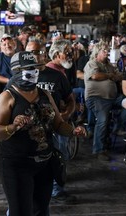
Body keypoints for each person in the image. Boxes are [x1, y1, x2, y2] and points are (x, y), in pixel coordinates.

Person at [0, 51, 86, 216]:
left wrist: (73, 131)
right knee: (21, 211)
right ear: (16, 71)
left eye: (35, 68)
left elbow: (58, 124)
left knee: (41, 210)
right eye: (29, 68)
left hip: (44, 163)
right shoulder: (7, 97)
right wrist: (12, 127)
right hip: (17, 164)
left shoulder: (45, 94)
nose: (34, 72)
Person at [36, 39, 77, 202]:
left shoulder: (58, 75)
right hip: (36, 125)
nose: (37, 57)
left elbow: (70, 99)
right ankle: (45, 188)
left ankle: (57, 189)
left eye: (39, 53)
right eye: (66, 52)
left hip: (58, 122)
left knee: (60, 154)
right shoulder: (23, 76)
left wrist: (67, 114)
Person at [84, 40, 124, 161]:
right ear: (97, 53)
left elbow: (120, 75)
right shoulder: (92, 63)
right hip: (96, 98)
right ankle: (99, 150)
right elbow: (95, 76)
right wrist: (110, 76)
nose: (107, 53)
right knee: (103, 119)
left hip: (113, 98)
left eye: (107, 50)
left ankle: (117, 128)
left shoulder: (109, 65)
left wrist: (114, 74)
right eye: (104, 51)